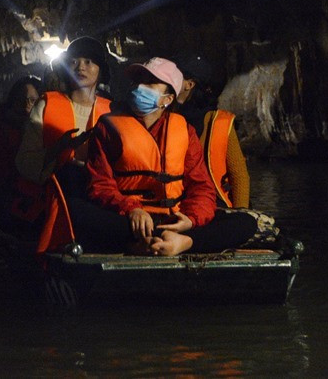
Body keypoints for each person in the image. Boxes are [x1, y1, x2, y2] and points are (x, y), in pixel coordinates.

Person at [75, 57, 257, 256]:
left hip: (173, 221)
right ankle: (138, 243)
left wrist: (190, 219)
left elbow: (201, 187)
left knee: (245, 222)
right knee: (75, 210)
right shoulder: (107, 127)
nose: (139, 88)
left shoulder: (185, 131)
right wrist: (131, 210)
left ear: (167, 99)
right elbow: (100, 184)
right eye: (138, 82)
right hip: (128, 220)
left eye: (149, 83)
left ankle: (182, 242)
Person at [12, 36, 112, 249]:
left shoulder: (113, 112)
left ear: (100, 70)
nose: (80, 67)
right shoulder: (46, 106)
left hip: (102, 199)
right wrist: (59, 148)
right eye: (73, 61)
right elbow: (24, 162)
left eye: (88, 62)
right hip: (54, 197)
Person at [176, 55, 250, 208]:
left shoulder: (218, 123)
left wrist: (240, 212)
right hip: (178, 203)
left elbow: (239, 175)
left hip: (214, 204)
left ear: (189, 84)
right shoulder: (168, 118)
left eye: (175, 76)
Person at [0, 76, 43, 219]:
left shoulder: (41, 128)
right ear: (13, 101)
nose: (27, 105)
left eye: (33, 100)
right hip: (7, 188)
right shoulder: (2, 127)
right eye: (21, 99)